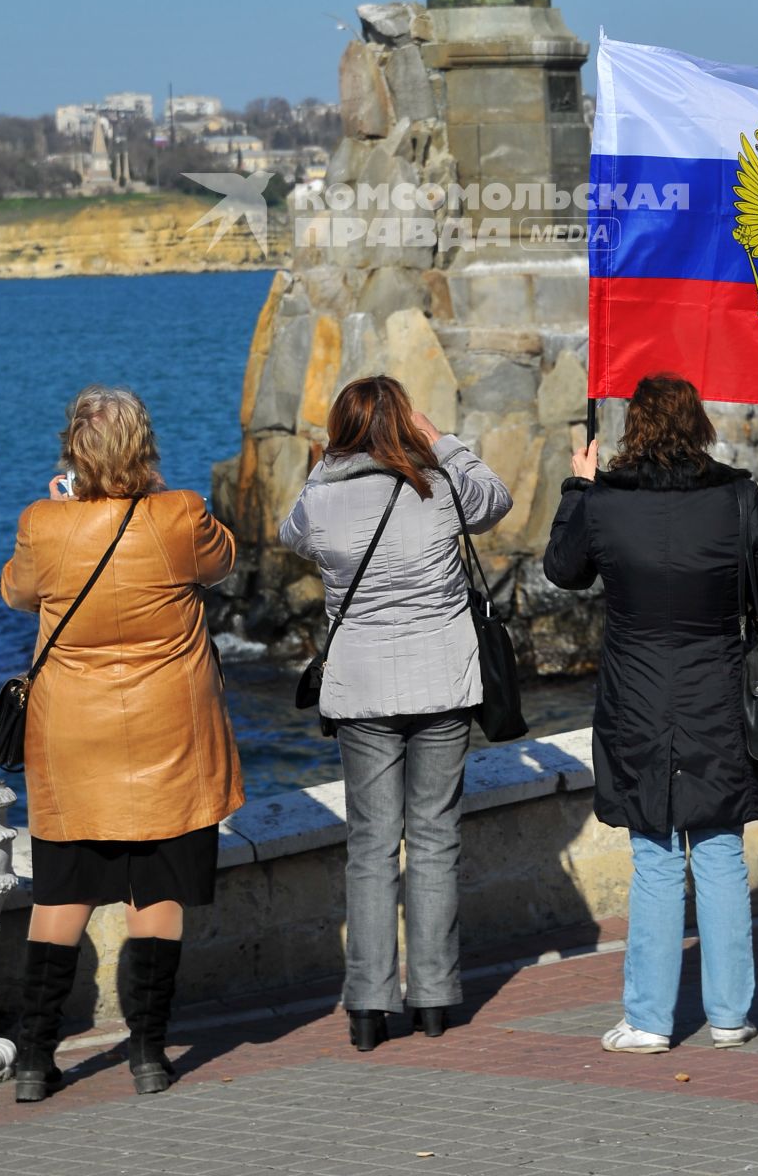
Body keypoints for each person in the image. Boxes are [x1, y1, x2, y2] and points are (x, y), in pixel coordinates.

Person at [543, 373, 758, 1054]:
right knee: (718, 850)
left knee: (655, 855)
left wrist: (579, 485)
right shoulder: (738, 496)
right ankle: (729, 1015)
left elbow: (563, 571)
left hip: (637, 699)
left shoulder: (604, 503)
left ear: (635, 426)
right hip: (718, 694)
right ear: (699, 426)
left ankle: (651, 1020)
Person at [1, 384, 243, 1101]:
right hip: (169, 737)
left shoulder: (43, 522)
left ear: (75, 452)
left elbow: (18, 590)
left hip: (74, 739)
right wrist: (158, 492)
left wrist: (68, 507)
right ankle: (147, 1053)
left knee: (61, 897)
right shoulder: (179, 515)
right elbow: (224, 557)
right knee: (157, 894)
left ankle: (36, 1060)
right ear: (144, 450)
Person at [279, 375, 512, 1052]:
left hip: (362, 694)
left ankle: (367, 1006)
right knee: (436, 841)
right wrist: (442, 441)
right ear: (405, 426)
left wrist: (330, 458)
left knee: (371, 847)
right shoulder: (436, 487)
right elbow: (494, 498)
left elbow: (290, 532)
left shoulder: (322, 500)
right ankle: (436, 998)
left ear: (342, 431)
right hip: (443, 685)